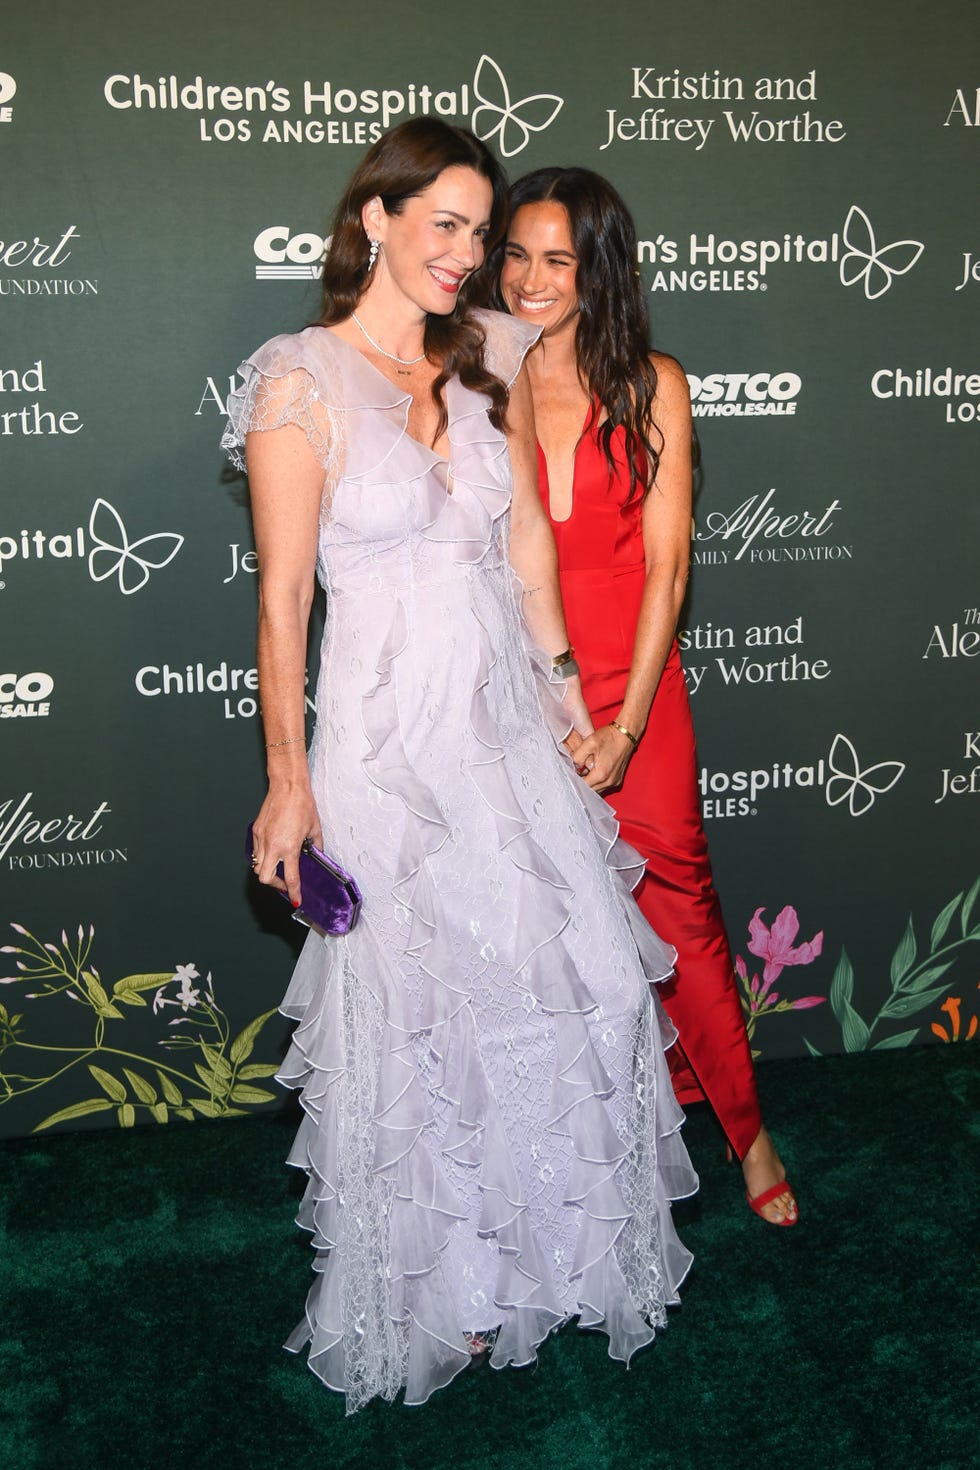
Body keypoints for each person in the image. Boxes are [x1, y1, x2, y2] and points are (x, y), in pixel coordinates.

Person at [222, 121, 697, 1413]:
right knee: (424, 1018)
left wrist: (566, 701)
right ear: (374, 218)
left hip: (500, 730)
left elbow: (530, 558)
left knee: (570, 982)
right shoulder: (297, 381)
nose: (466, 254)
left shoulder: (490, 351)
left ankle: (551, 1254)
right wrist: (287, 778)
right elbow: (278, 608)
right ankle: (446, 1290)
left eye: (478, 233)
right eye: (443, 223)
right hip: (382, 755)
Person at [490, 167, 798, 1227]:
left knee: (682, 917)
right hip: (522, 694)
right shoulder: (475, 385)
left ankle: (744, 1132)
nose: (530, 279)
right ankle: (574, 1145)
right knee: (537, 934)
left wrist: (622, 727)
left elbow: (666, 566)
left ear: (598, 269)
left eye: (556, 258)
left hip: (636, 698)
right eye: (515, 254)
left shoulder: (651, 382)